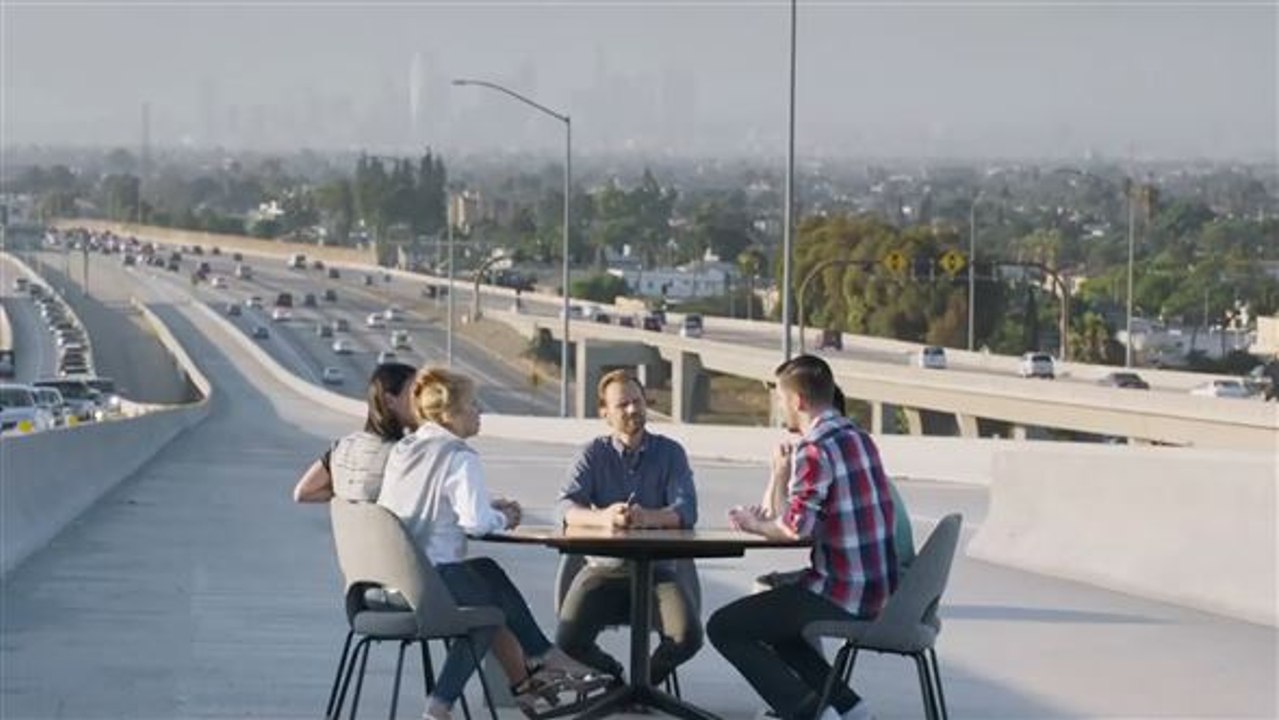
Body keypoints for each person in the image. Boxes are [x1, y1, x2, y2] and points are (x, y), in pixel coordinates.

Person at [377, 367, 605, 720]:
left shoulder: (406, 448)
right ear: (450, 414)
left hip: (392, 580)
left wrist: (487, 505)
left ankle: (541, 660)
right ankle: (442, 705)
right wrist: (504, 517)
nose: (479, 411)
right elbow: (477, 525)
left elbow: (428, 503)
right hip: (432, 583)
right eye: (472, 404)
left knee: (487, 571)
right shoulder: (459, 455)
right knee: (487, 615)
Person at [709, 355, 898, 720]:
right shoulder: (860, 439)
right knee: (775, 621)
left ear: (797, 401)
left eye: (781, 399)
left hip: (844, 593)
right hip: (882, 591)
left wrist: (752, 523)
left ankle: (810, 713)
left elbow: (796, 529)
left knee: (724, 627)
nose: (781, 407)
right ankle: (851, 709)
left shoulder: (815, 449)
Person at [555, 369, 703, 687]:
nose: (633, 409)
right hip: (604, 570)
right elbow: (566, 508)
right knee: (567, 642)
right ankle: (616, 680)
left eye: (637, 401)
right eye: (622, 404)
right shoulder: (592, 454)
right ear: (604, 412)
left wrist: (647, 518)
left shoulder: (670, 453)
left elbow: (686, 511)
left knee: (688, 638)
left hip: (658, 571)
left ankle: (644, 685)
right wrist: (605, 517)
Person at [293, 362, 418, 503]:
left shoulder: (342, 448)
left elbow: (303, 492)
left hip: (351, 524)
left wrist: (345, 495)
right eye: (415, 394)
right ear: (390, 401)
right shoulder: (403, 454)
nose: (422, 401)